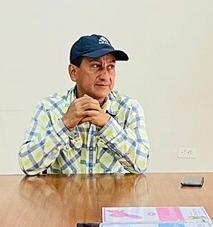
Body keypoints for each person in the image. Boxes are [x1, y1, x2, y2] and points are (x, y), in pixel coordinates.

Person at [18, 34, 150, 175]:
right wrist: (64, 125)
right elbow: (27, 165)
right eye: (96, 66)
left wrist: (107, 125)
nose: (105, 76)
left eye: (110, 67)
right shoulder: (49, 108)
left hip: (111, 190)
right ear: (73, 72)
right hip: (63, 191)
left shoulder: (129, 108)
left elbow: (141, 165)